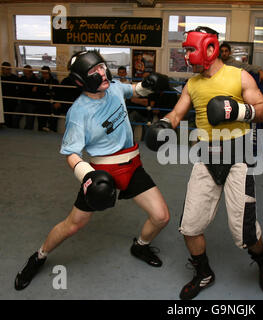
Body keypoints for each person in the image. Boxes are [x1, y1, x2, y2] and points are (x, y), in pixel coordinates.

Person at [14, 50, 171, 291]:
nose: (102, 72)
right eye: (93, 71)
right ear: (81, 80)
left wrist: (148, 85)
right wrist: (88, 177)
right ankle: (39, 256)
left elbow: (136, 90)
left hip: (133, 166)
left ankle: (140, 245)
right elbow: (71, 154)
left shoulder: (115, 88)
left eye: (101, 66)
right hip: (103, 172)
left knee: (161, 217)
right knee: (73, 224)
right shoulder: (79, 112)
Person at [144, 27, 263, 300]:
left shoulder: (239, 76)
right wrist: (165, 124)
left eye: (191, 49)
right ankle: (204, 273)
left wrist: (237, 110)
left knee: (245, 234)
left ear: (210, 48)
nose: (188, 55)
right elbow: (178, 113)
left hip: (238, 156)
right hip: (205, 157)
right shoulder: (193, 84)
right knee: (189, 227)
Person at [13, 65, 40, 130]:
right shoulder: (22, 78)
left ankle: (28, 132)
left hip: (31, 102)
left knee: (30, 119)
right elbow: (20, 91)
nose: (25, 73)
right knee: (15, 116)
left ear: (30, 72)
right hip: (23, 101)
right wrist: (30, 90)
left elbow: (35, 92)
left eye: (26, 72)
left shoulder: (36, 80)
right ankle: (15, 130)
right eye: (24, 72)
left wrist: (26, 90)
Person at [37, 66, 59, 132]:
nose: (44, 75)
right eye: (43, 73)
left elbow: (57, 93)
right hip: (43, 102)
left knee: (54, 111)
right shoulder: (39, 81)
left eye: (46, 73)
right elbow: (40, 93)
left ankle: (52, 129)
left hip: (51, 102)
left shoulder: (55, 81)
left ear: (49, 73)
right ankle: (41, 129)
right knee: (40, 111)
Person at [1, 61, 19, 128]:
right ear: (2, 69)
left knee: (12, 115)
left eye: (9, 69)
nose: (8, 71)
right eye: (6, 69)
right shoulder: (1, 77)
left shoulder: (14, 77)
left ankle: (11, 127)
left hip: (12, 99)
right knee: (4, 114)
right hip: (3, 99)